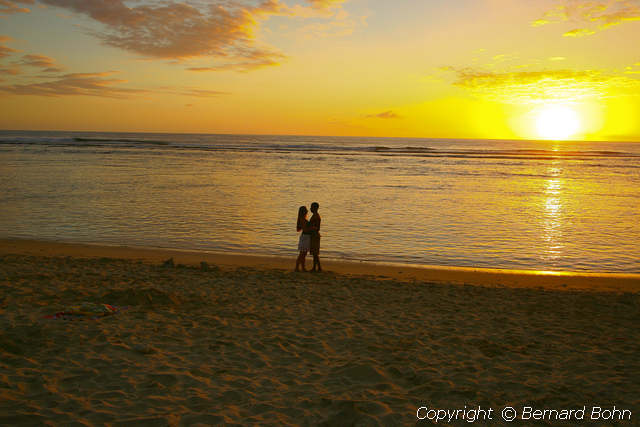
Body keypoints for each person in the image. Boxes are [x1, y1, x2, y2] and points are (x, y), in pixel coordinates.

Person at [295, 205, 312, 272]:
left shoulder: (302, 219)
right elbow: (305, 229)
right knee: (302, 254)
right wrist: (312, 228)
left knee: (304, 254)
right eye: (305, 210)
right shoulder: (302, 219)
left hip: (306, 237)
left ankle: (302, 267)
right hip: (305, 237)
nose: (307, 211)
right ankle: (297, 267)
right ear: (303, 212)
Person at [309, 202, 322, 272]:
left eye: (311, 207)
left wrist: (311, 228)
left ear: (315, 208)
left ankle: (316, 267)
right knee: (315, 253)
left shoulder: (316, 216)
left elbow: (317, 228)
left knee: (315, 253)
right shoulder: (314, 215)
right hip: (313, 235)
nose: (310, 208)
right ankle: (317, 267)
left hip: (315, 235)